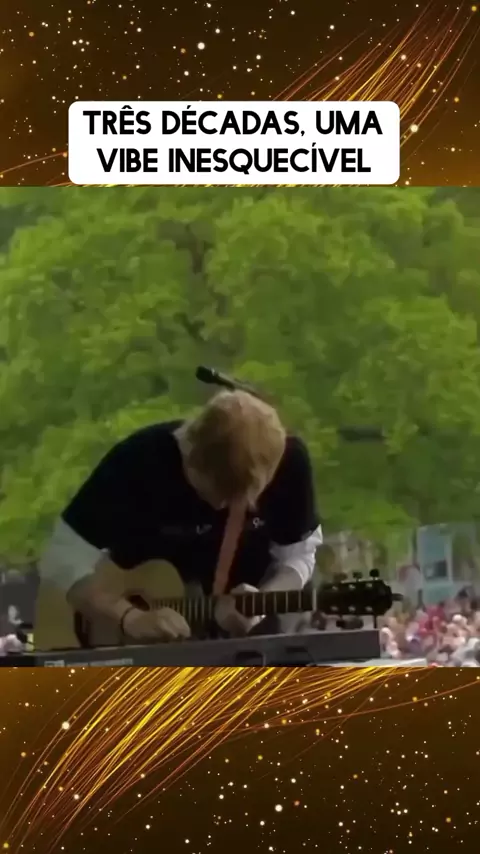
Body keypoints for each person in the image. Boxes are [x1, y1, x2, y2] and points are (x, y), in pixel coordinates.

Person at [38, 390, 322, 646]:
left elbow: (299, 556)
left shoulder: (291, 463)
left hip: (247, 644)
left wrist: (263, 601)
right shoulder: (137, 460)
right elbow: (61, 557)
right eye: (218, 490)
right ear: (190, 452)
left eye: (242, 498)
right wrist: (128, 616)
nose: (224, 506)